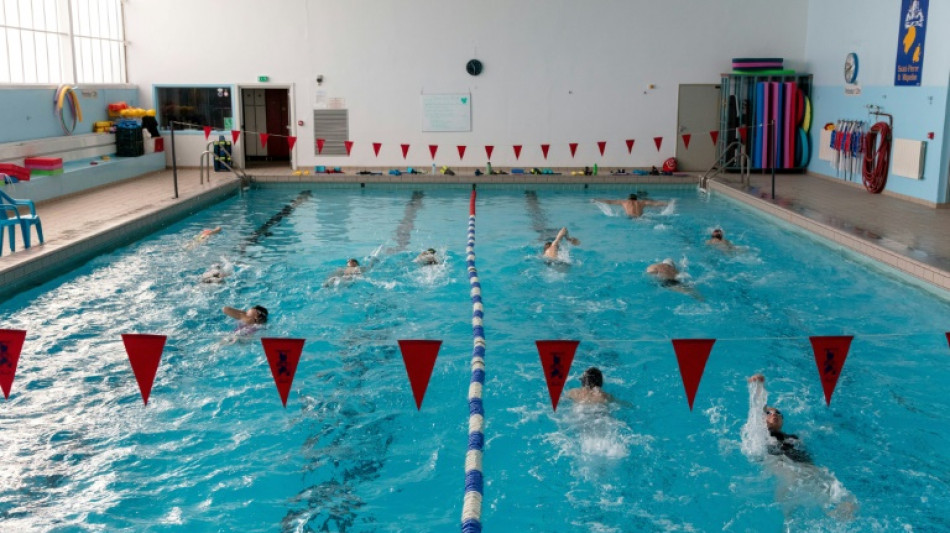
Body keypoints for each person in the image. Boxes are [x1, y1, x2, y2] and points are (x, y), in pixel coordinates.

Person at [747, 374, 811, 463]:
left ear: (782, 421)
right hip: (779, 462)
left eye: (777, 413)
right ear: (761, 419)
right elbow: (759, 406)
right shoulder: (762, 435)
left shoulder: (793, 438)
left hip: (800, 464)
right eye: (768, 413)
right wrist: (759, 386)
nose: (774, 414)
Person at [594, 193, 668, 218]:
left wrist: (597, 200)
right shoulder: (642, 202)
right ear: (636, 199)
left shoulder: (624, 202)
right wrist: (668, 204)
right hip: (640, 218)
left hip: (631, 218)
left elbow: (609, 202)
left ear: (628, 198)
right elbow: (656, 204)